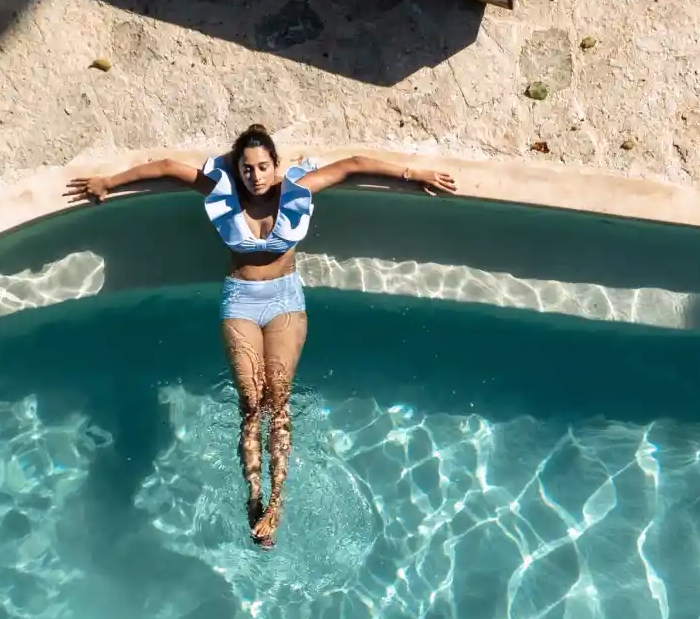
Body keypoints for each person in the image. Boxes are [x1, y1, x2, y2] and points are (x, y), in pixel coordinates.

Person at [65, 126, 456, 548]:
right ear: (238, 170)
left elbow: (353, 166)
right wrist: (108, 182)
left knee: (278, 399)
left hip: (285, 300)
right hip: (241, 300)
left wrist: (414, 174)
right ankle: (254, 495)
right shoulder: (224, 192)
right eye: (247, 169)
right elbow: (167, 168)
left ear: (275, 165)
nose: (256, 176)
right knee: (251, 403)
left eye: (263, 166)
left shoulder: (295, 191)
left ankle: (276, 502)